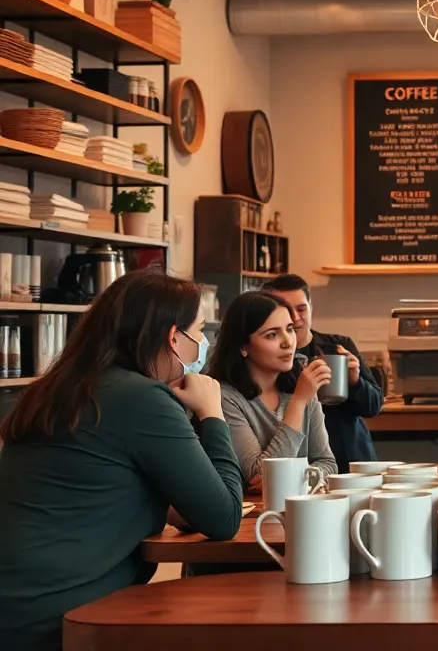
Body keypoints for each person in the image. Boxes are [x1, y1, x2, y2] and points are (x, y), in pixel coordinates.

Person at [0, 270, 243, 651]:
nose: (203, 345)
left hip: (18, 604)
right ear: (172, 338)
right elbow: (225, 518)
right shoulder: (144, 399)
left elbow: (92, 488)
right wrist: (212, 414)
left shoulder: (55, 389)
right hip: (62, 613)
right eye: (198, 333)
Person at [210, 290, 338, 487]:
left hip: (303, 508)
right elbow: (258, 477)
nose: (288, 342)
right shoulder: (225, 397)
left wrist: (292, 480)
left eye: (290, 329)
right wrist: (298, 402)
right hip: (253, 515)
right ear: (243, 346)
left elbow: (327, 463)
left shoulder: (302, 385)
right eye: (272, 335)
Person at [262, 274, 383, 472]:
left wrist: (355, 381)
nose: (295, 318)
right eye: (285, 310)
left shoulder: (339, 346)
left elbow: (373, 407)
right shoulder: (269, 359)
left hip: (351, 460)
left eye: (301, 309)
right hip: (302, 464)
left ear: (312, 308)